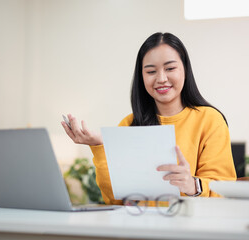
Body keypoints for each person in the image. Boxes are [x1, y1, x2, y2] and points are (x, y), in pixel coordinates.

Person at [61, 32, 237, 205]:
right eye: (151, 71)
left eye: (170, 68)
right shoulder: (129, 124)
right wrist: (99, 146)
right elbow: (114, 200)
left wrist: (193, 185)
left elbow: (223, 191)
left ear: (185, 69)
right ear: (141, 76)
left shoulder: (210, 120)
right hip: (140, 229)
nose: (161, 79)